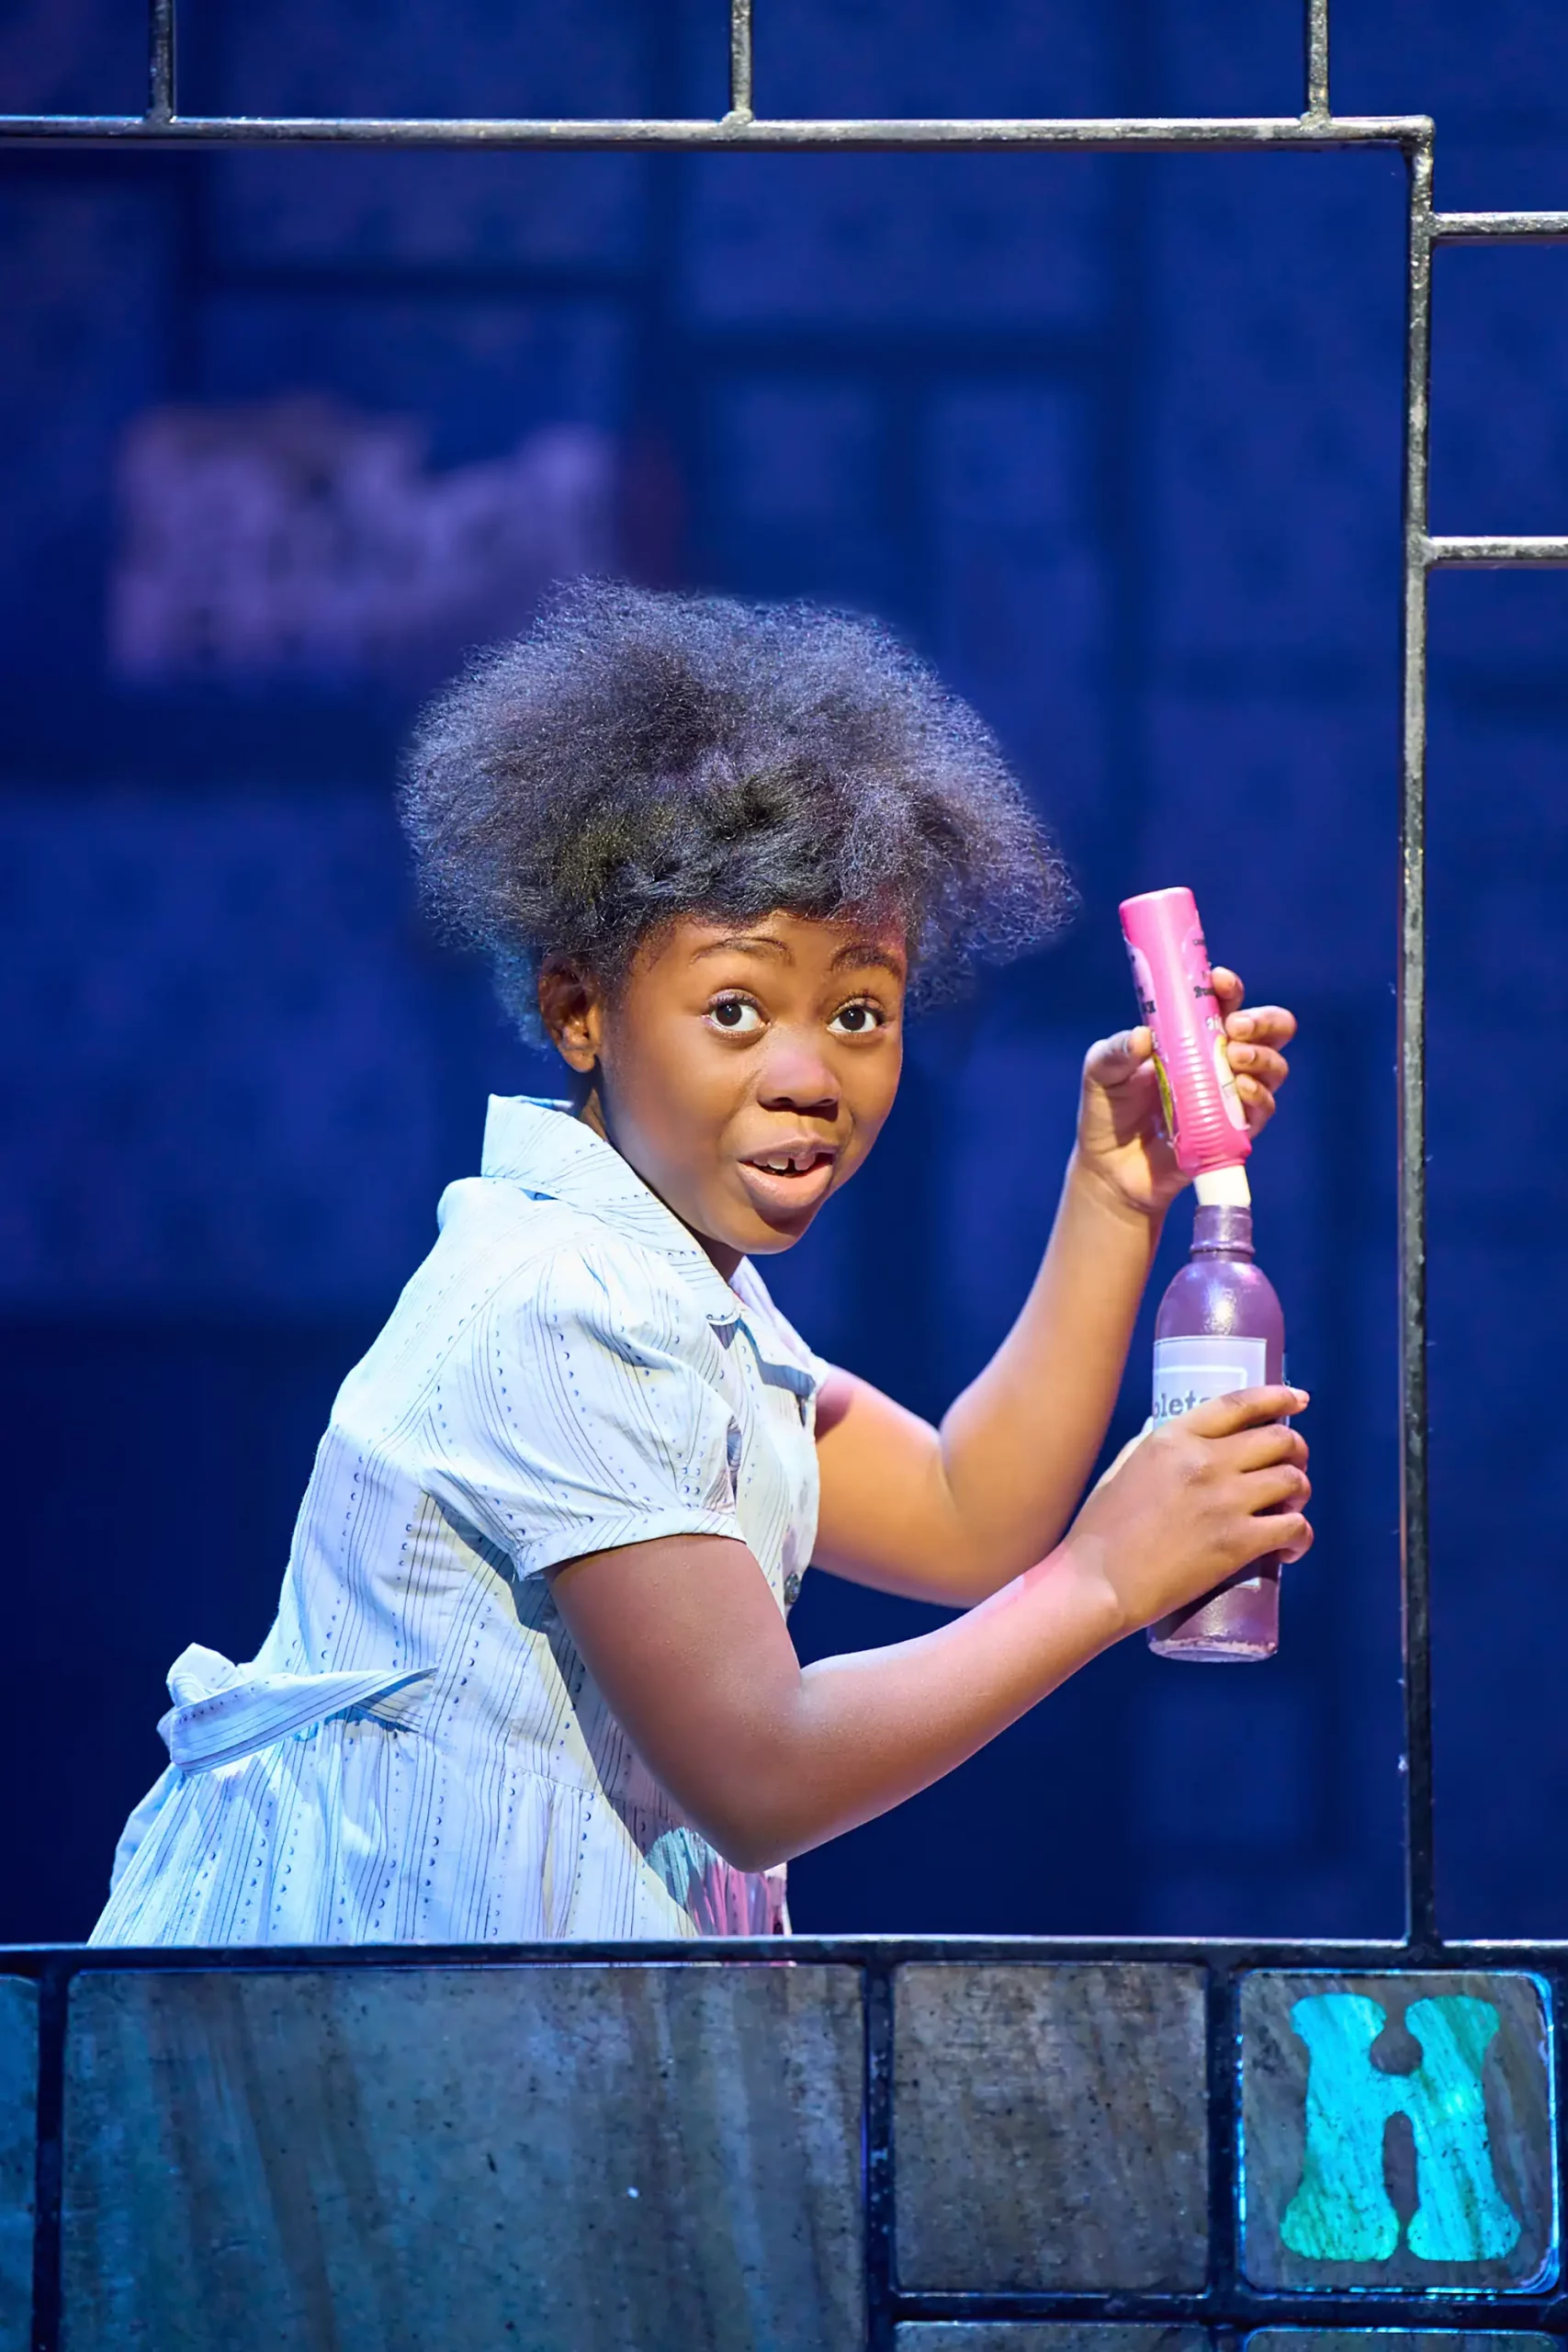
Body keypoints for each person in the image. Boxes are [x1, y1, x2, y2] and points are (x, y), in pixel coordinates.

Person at [91, 581, 1308, 1947]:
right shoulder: (561, 1305)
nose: (808, 1075)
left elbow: (970, 1512)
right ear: (577, 1010)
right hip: (361, 2063)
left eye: (859, 1010)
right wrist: (1100, 1584)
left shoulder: (683, 1301)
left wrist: (1109, 1190)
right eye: (734, 1009)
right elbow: (761, 1773)